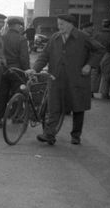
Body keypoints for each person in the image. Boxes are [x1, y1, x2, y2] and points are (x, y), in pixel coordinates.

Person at [31, 14, 104, 145]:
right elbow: (44, 55)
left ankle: (76, 135)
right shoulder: (55, 37)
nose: (60, 27)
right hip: (56, 77)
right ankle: (49, 134)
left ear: (71, 24)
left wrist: (89, 65)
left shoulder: (82, 37)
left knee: (77, 106)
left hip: (77, 78)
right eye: (59, 24)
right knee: (54, 106)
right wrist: (35, 69)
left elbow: (100, 50)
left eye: (62, 24)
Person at [0, 16, 31, 119]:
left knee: (2, 94)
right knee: (18, 93)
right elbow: (24, 58)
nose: (21, 28)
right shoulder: (22, 39)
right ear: (16, 25)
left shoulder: (2, 37)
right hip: (17, 70)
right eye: (20, 25)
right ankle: (16, 116)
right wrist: (27, 70)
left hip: (4, 69)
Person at [93, 19, 110, 99]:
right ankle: (104, 94)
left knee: (95, 74)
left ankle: (91, 92)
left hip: (97, 54)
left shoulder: (96, 34)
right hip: (108, 54)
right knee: (106, 75)